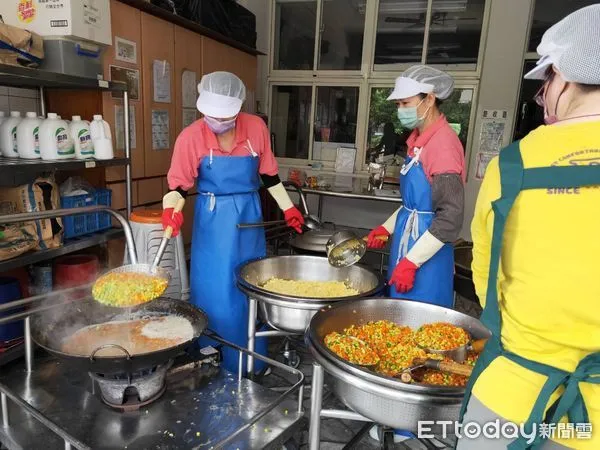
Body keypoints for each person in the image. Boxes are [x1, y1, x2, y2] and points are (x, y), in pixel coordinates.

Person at [457, 6, 600, 449]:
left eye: (545, 85)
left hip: (514, 395)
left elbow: (486, 272)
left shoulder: (515, 162)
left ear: (560, 74)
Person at [162, 72, 305, 373]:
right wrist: (171, 211)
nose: (219, 121)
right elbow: (178, 188)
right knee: (214, 289)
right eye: (212, 116)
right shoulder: (190, 137)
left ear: (239, 110)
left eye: (226, 116)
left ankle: (253, 360)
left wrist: (289, 208)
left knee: (250, 284)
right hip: (212, 219)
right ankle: (210, 358)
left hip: (249, 215)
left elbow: (269, 176)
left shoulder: (256, 128)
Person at [366, 65, 466, 308]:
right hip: (407, 245)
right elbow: (414, 205)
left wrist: (412, 262)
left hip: (427, 256)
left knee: (422, 325)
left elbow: (450, 217)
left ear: (429, 99)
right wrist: (386, 228)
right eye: (398, 104)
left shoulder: (443, 145)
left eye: (405, 103)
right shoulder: (418, 142)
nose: (400, 110)